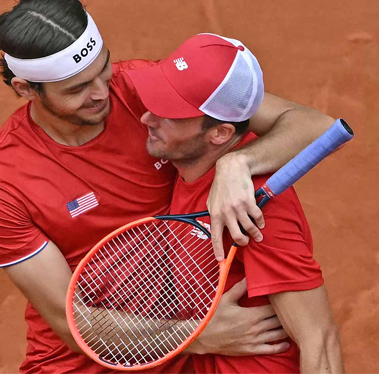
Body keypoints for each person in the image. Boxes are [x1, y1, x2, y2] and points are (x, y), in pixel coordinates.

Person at [0, 0, 339, 372]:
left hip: (194, 349)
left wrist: (238, 163)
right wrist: (196, 335)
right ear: (26, 89)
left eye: (104, 72)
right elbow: (68, 321)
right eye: (77, 89)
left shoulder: (150, 92)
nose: (102, 94)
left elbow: (313, 126)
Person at [125, 33, 344, 373]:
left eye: (169, 114)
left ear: (220, 134)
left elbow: (319, 339)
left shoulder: (254, 210)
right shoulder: (193, 167)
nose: (147, 119)